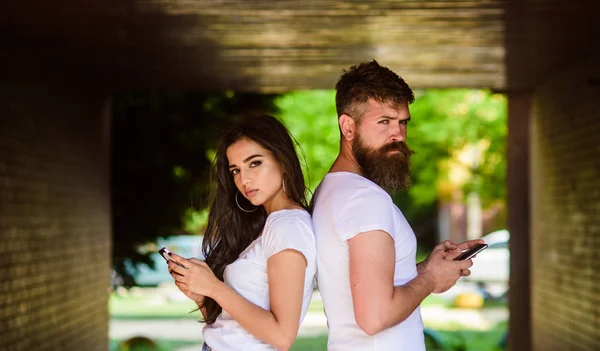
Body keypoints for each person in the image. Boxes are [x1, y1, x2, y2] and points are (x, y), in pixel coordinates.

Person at [311, 60, 484, 350]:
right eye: (384, 122)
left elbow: (361, 287)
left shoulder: (330, 190)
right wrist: (429, 280)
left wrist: (425, 269)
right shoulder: (365, 199)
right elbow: (375, 317)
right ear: (348, 127)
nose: (398, 135)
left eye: (402, 122)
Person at [167, 115, 317, 351]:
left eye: (255, 163)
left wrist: (214, 288)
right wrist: (203, 296)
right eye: (235, 170)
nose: (244, 179)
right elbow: (236, 328)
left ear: (283, 161)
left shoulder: (288, 226)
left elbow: (281, 336)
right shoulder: (265, 225)